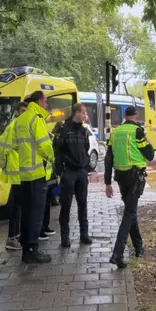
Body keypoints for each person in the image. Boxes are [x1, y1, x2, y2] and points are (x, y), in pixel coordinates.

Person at [105, 106, 154, 268]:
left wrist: (107, 183)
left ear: (125, 116)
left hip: (120, 177)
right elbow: (150, 155)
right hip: (134, 177)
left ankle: (139, 247)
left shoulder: (115, 132)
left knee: (130, 211)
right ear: (136, 115)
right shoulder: (138, 131)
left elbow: (108, 158)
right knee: (129, 214)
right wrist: (148, 143)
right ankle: (117, 254)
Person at [14, 91, 54, 264]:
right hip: (37, 173)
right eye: (45, 101)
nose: (46, 105)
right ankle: (32, 249)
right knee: (36, 213)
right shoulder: (36, 119)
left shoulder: (20, 119)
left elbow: (16, 145)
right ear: (38, 101)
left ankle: (26, 248)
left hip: (23, 173)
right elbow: (44, 144)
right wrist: (52, 157)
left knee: (27, 212)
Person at [54, 103, 94, 247]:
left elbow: (86, 149)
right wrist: (60, 170)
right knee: (66, 205)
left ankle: (84, 234)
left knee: (83, 204)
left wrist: (86, 167)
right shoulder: (63, 129)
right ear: (76, 113)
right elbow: (56, 150)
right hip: (68, 172)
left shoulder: (83, 131)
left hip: (81, 172)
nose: (85, 116)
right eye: (84, 113)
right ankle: (65, 237)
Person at [0, 101, 28, 250]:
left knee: (20, 206)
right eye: (22, 110)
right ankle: (12, 238)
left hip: (23, 172)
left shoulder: (24, 127)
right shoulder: (13, 127)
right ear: (17, 112)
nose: (24, 113)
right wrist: (3, 165)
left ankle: (17, 235)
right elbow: (2, 149)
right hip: (16, 172)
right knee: (16, 206)